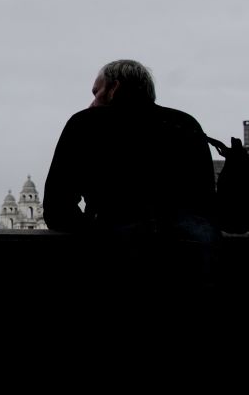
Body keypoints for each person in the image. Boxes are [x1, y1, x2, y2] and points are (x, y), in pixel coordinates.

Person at [42, 59, 218, 334]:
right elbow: (207, 200)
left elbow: (57, 208)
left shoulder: (85, 124)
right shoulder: (185, 124)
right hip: (190, 257)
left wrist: (92, 230)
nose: (91, 102)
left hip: (119, 255)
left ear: (114, 88)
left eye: (95, 92)